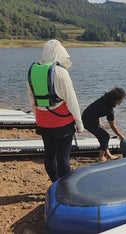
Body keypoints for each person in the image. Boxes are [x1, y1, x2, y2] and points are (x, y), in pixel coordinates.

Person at [27, 39, 84, 183]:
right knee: (63, 157)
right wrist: (79, 124)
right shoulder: (60, 72)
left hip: (43, 122)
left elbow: (32, 99)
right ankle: (66, 189)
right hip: (62, 123)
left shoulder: (33, 71)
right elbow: (71, 100)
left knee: (50, 155)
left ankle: (55, 183)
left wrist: (38, 119)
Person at [82, 87, 126, 162]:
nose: (122, 101)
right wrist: (121, 136)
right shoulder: (109, 110)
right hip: (87, 121)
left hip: (89, 117)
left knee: (102, 135)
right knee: (105, 136)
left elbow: (95, 109)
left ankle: (109, 155)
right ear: (116, 99)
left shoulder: (105, 99)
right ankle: (101, 157)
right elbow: (112, 126)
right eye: (122, 99)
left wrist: (99, 122)